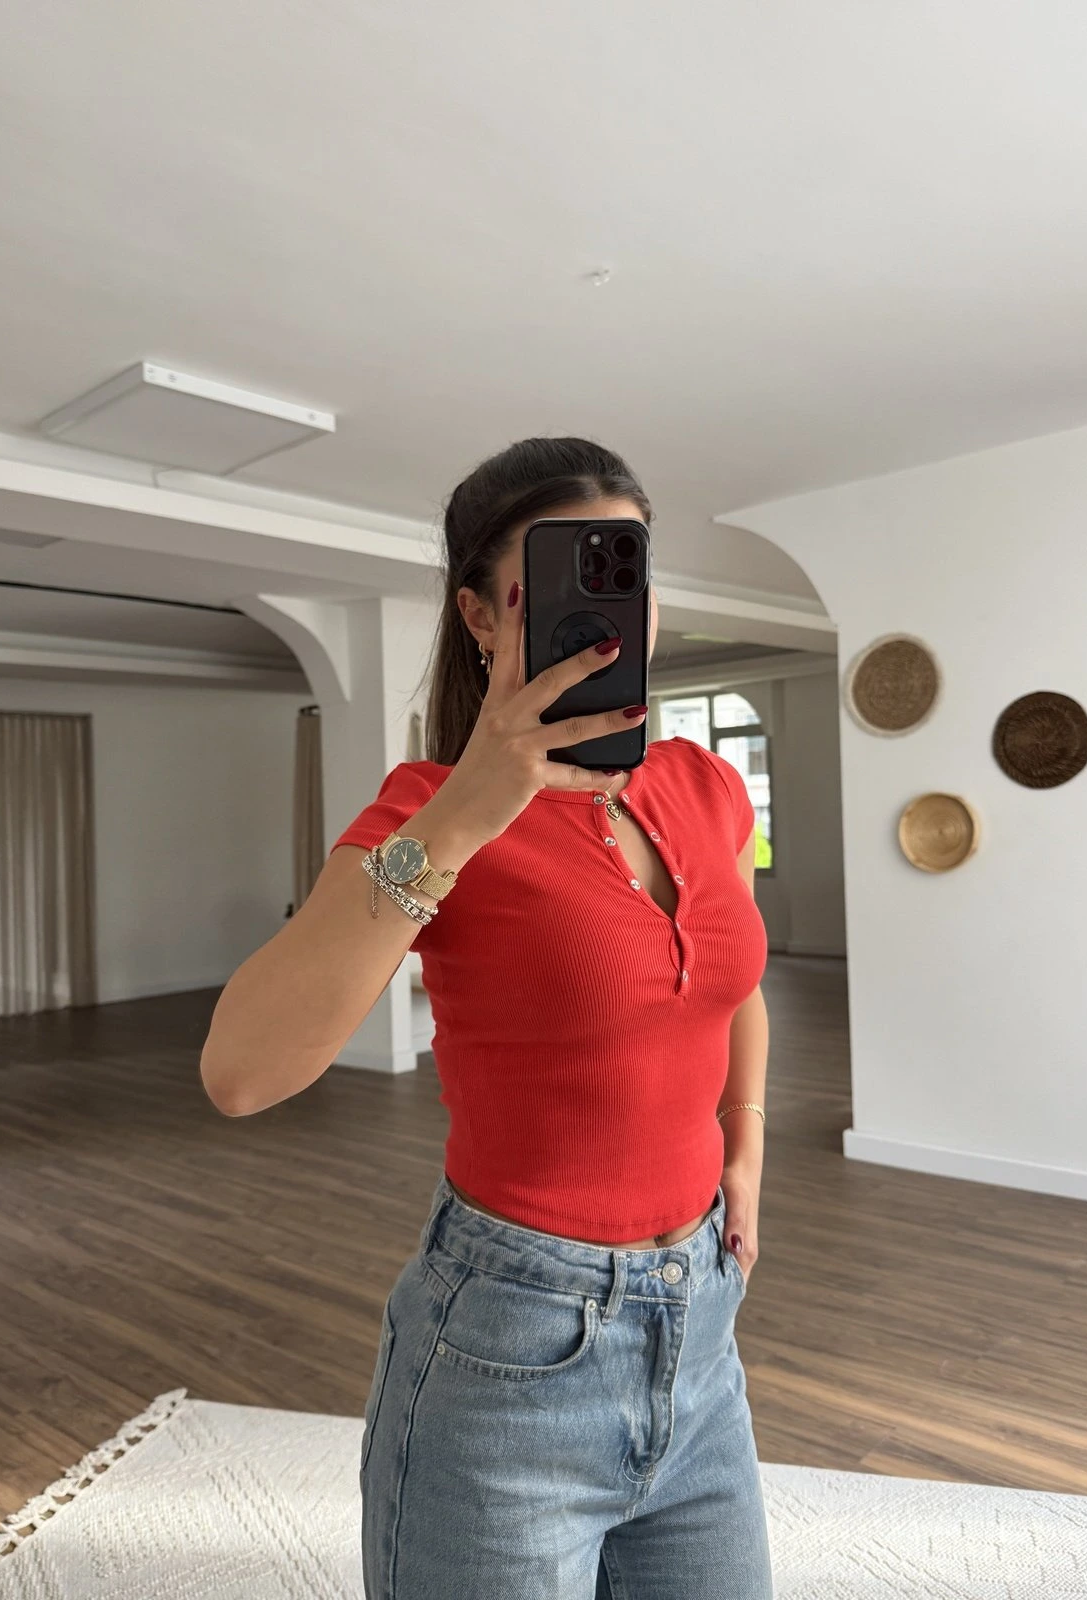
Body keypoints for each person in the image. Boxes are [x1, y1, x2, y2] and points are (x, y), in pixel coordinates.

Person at [199, 438, 774, 1599]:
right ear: (480, 614)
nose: (615, 612)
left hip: (704, 1340)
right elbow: (242, 1072)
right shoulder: (426, 810)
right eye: (571, 577)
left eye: (632, 570)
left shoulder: (705, 785)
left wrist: (745, 1141)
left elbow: (735, 980)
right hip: (511, 1352)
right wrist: (468, 810)